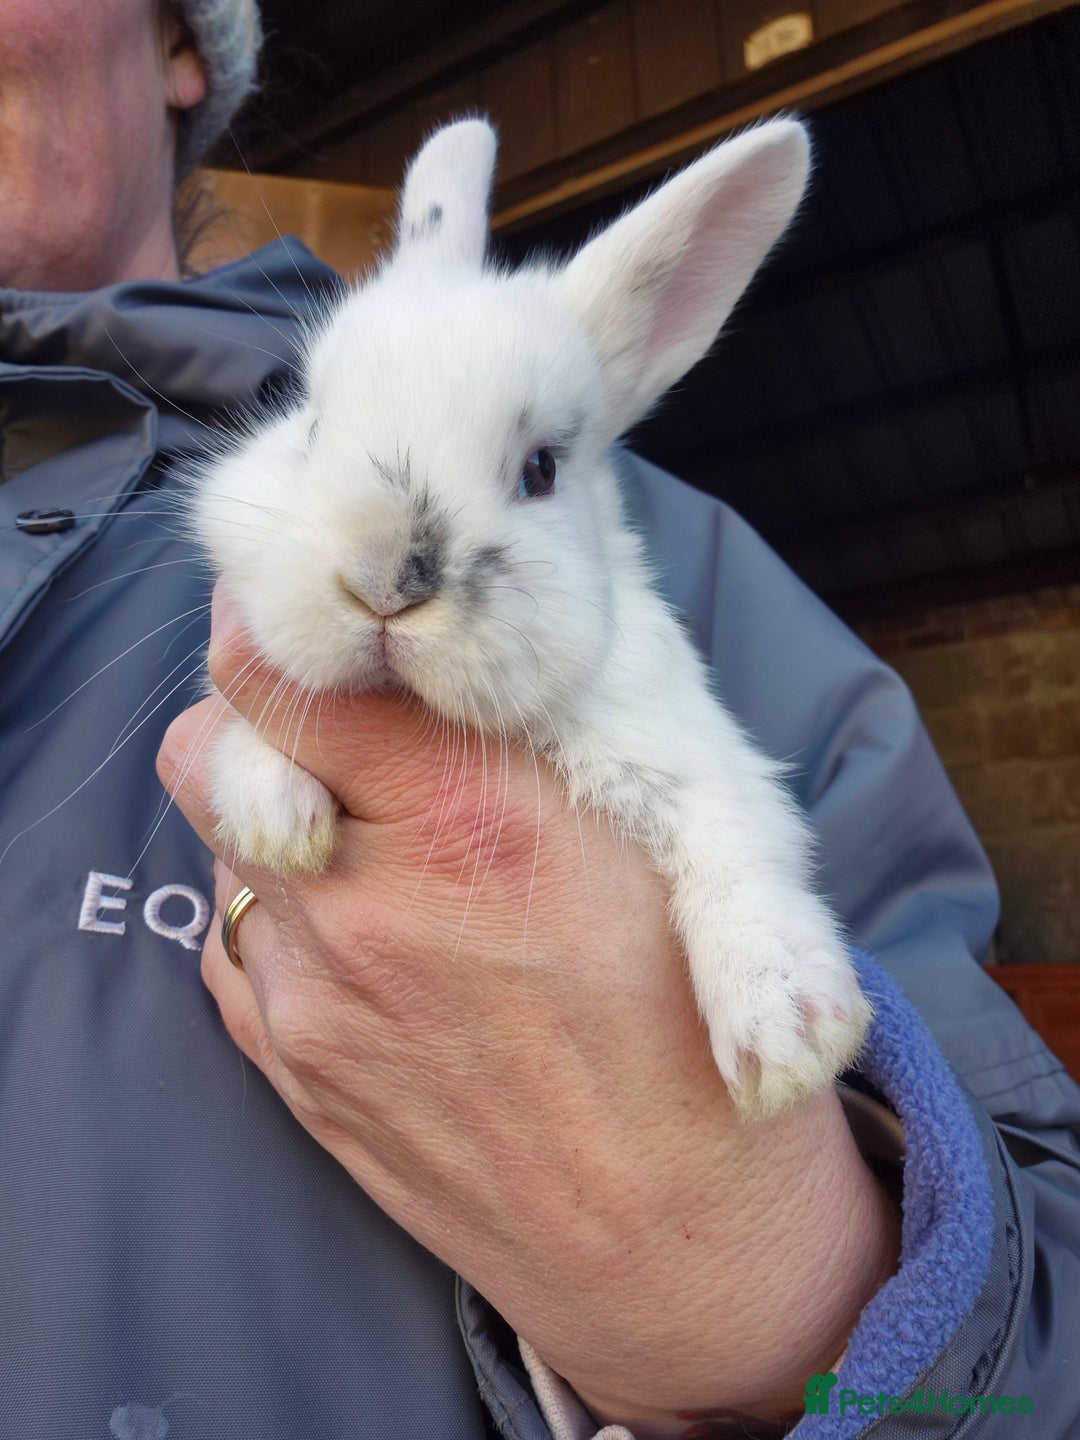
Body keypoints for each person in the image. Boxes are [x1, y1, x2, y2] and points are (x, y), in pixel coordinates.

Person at [0, 2, 1077, 1436]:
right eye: (320, 432)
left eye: (531, 470)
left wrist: (778, 1296)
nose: (384, 572)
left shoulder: (702, 591)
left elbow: (1046, 1350)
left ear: (183, 41)